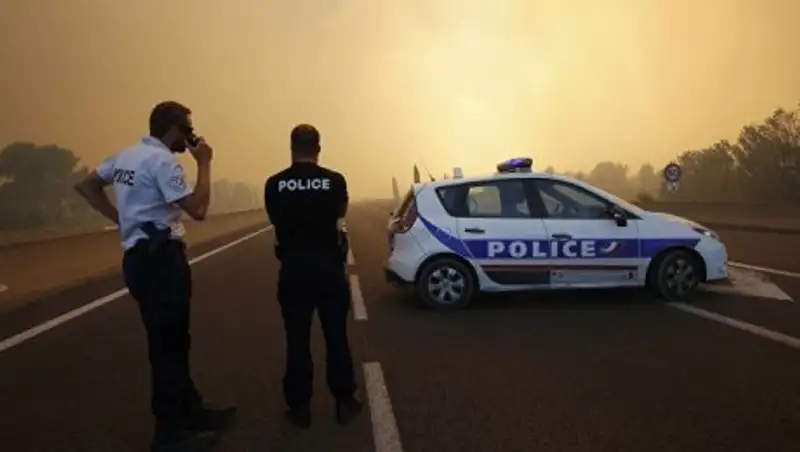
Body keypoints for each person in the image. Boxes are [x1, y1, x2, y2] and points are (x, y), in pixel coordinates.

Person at [74, 101, 236, 451]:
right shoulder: (163, 162)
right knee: (169, 347)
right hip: (162, 261)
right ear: (175, 128)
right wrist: (204, 163)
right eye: (187, 130)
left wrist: (122, 219)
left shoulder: (125, 157)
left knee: (171, 341)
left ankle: (190, 408)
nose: (189, 138)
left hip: (138, 258)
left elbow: (86, 186)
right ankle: (169, 434)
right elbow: (199, 209)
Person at [264, 124, 362, 429]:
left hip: (293, 268)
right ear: (318, 149)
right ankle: (344, 401)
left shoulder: (274, 184)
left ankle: (300, 408)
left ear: (291, 148)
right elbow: (340, 212)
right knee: (336, 335)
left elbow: (275, 219)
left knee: (297, 338)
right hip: (328, 268)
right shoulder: (334, 181)